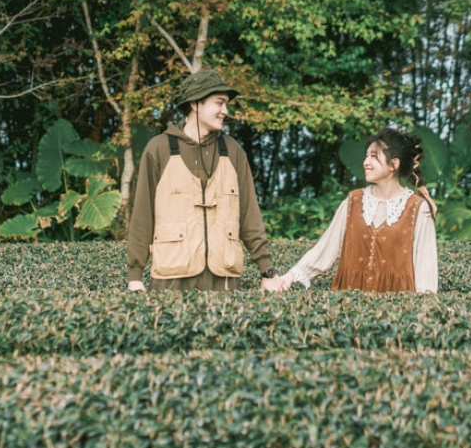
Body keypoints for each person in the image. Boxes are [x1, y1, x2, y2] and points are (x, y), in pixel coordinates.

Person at [127, 68, 283, 292]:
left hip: (225, 282)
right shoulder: (158, 149)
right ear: (195, 104)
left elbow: (250, 215)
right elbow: (142, 215)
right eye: (219, 103)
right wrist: (135, 276)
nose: (225, 111)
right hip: (170, 281)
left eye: (226, 104)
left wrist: (267, 271)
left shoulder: (233, 150)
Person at [276, 128, 438, 293]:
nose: (366, 162)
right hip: (349, 306)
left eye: (374, 157)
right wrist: (289, 277)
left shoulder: (418, 208)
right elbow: (325, 249)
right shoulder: (353, 201)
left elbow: (425, 268)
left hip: (397, 310)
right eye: (366, 156)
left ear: (394, 164)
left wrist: (423, 311)